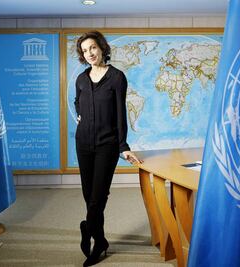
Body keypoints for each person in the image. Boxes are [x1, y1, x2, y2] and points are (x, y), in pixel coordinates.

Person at [74, 31, 142, 266]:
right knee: (89, 196)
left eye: (92, 48)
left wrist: (123, 146)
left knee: (97, 197)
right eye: (84, 51)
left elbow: (120, 114)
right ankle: (100, 241)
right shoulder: (81, 79)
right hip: (82, 144)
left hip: (107, 145)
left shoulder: (116, 77)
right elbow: (77, 101)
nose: (89, 53)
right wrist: (80, 116)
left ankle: (87, 227)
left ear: (101, 48)